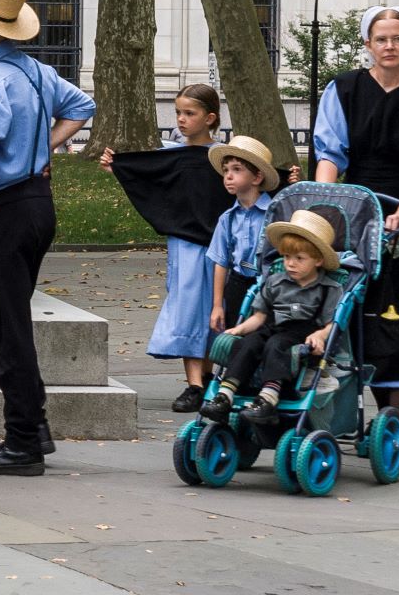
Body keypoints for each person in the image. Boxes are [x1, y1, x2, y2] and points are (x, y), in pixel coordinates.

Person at [0, 0, 95, 476]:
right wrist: (43, 148)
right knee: (10, 319)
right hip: (39, 204)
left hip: (7, 207)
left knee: (6, 325)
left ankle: (22, 441)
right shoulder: (33, 71)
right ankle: (34, 424)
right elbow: (82, 105)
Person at [313, 5, 399, 429]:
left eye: (397, 38)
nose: (388, 46)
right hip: (356, 206)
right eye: (380, 39)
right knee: (357, 308)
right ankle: (373, 415)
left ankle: (397, 426)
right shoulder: (344, 88)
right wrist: (324, 204)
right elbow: (329, 154)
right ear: (367, 43)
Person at [98, 84, 223, 412]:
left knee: (216, 311)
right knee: (186, 309)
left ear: (210, 118)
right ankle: (194, 385)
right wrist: (120, 168)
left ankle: (209, 379)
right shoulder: (172, 156)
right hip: (185, 246)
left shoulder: (224, 158)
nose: (181, 119)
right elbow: (150, 179)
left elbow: (252, 180)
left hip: (221, 248)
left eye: (189, 113)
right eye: (179, 112)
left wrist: (286, 179)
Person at [198, 209, 345, 425]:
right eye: (286, 257)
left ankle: (268, 398)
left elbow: (331, 323)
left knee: (277, 345)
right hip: (273, 326)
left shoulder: (328, 288)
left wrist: (321, 336)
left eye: (299, 258)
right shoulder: (276, 281)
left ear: (318, 260)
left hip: (303, 334)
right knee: (248, 343)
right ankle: (225, 394)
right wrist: (239, 329)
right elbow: (259, 316)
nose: (290, 264)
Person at [205, 135, 280, 333]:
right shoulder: (227, 219)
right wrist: (217, 305)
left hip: (269, 285)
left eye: (237, 169)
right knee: (236, 339)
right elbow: (221, 262)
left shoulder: (275, 214)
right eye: (226, 170)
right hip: (238, 285)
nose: (228, 176)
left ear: (257, 177)